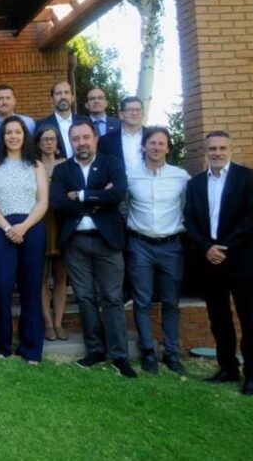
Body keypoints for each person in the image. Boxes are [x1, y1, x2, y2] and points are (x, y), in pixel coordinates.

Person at [50, 121, 136, 377]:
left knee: (112, 298)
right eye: (76, 139)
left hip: (106, 241)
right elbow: (57, 203)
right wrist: (99, 197)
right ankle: (95, 350)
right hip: (75, 242)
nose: (81, 143)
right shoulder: (63, 170)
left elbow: (117, 195)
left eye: (86, 137)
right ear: (70, 142)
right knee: (85, 298)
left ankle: (120, 356)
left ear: (95, 138)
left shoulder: (112, 164)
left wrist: (80, 195)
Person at [184, 131, 253, 395]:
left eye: (222, 148)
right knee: (218, 319)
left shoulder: (248, 177)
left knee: (249, 318)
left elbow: (252, 217)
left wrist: (224, 248)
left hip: (241, 259)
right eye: (212, 149)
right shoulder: (195, 184)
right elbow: (189, 220)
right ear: (205, 152)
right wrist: (207, 248)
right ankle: (228, 368)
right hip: (209, 262)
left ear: (231, 149)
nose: (217, 153)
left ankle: (251, 373)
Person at [0, 116, 48, 364]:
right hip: (2, 228)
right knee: (2, 285)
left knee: (31, 287)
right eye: (8, 132)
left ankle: (31, 348)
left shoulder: (36, 165)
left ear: (24, 135)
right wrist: (8, 227)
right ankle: (3, 343)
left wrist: (24, 226)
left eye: (17, 132)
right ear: (2, 137)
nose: (13, 136)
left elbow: (43, 201)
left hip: (32, 228)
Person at [126, 127, 190, 375]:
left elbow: (189, 207)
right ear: (144, 146)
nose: (156, 147)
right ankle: (148, 352)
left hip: (171, 246)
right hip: (140, 245)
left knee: (170, 302)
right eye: (152, 143)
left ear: (168, 148)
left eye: (161, 143)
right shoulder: (130, 176)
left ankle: (171, 353)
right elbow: (123, 206)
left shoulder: (180, 177)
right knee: (141, 301)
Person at [35, 124, 68, 341]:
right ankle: (47, 323)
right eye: (44, 139)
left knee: (61, 277)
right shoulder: (32, 165)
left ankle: (59, 322)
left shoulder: (66, 164)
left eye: (52, 139)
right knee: (42, 278)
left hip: (62, 223)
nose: (49, 143)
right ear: (38, 143)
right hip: (39, 223)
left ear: (57, 142)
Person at [36, 81, 91, 159]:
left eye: (66, 92)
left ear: (72, 98)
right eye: (58, 93)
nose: (63, 97)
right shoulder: (41, 125)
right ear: (52, 99)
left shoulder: (86, 122)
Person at [99, 97, 145, 172]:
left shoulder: (154, 137)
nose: (134, 113)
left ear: (143, 114)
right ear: (121, 114)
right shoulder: (105, 141)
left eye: (138, 110)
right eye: (130, 110)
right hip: (118, 179)